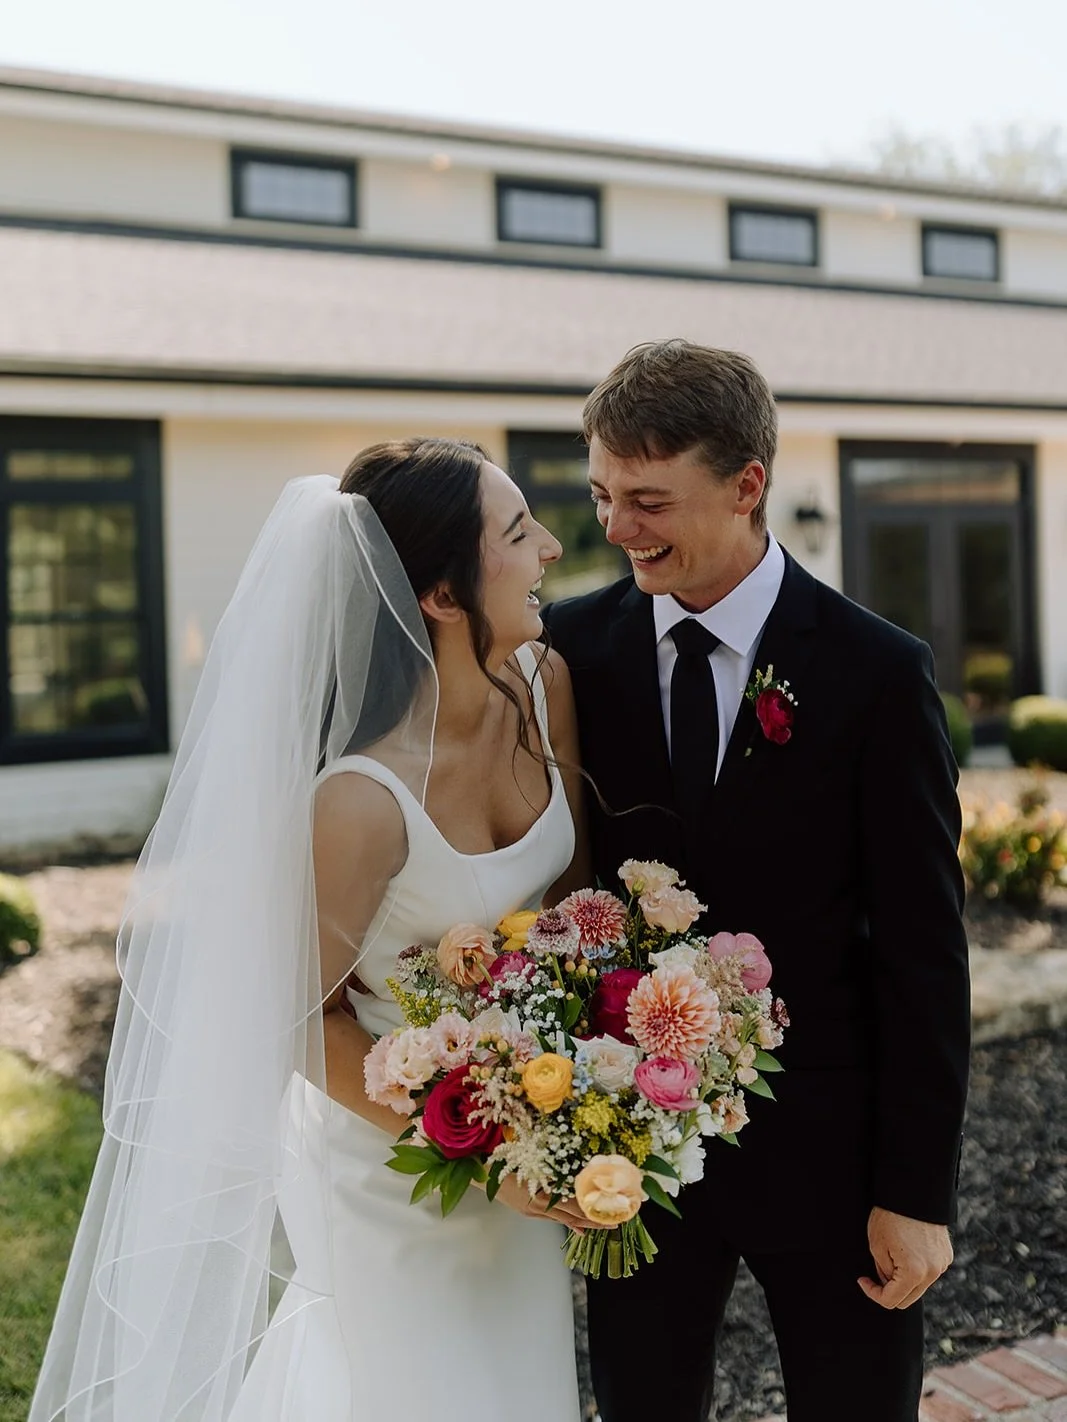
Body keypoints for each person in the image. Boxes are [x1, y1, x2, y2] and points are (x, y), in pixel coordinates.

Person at [30, 438, 587, 1422]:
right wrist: (476, 1145)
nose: (548, 545)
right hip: (391, 1167)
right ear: (441, 596)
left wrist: (589, 1081)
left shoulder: (544, 685)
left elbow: (572, 918)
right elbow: (294, 1019)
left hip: (526, 1130)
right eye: (515, 532)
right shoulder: (360, 803)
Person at [542, 341, 971, 1422]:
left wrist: (914, 1192)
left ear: (746, 485)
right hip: (630, 1157)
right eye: (600, 496)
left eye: (648, 500)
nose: (616, 527)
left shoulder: (877, 672)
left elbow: (923, 949)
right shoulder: (564, 654)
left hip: (833, 1163)